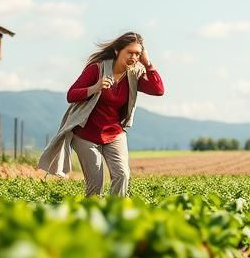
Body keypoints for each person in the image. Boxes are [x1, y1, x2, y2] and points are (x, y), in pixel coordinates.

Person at [38, 32, 164, 196]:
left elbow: (158, 90)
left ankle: (115, 215)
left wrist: (147, 63)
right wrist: (95, 88)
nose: (134, 57)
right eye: (130, 52)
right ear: (118, 51)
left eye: (138, 54)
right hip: (86, 135)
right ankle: (92, 218)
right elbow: (71, 95)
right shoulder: (96, 69)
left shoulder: (134, 75)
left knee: (122, 175)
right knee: (95, 187)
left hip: (114, 133)